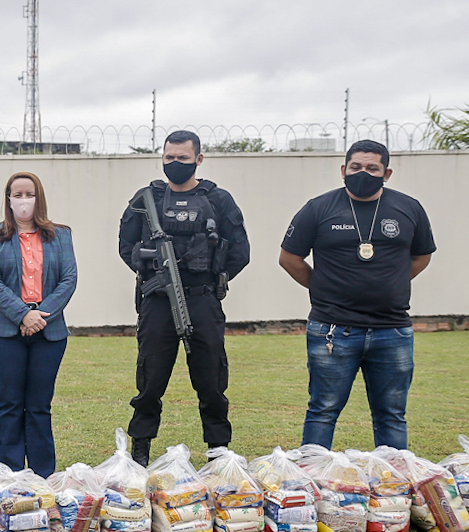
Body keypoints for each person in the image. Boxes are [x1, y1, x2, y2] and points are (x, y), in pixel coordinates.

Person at [279, 140, 434, 450]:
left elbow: (422, 256)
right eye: (356, 167)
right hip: (332, 330)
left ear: (386, 173)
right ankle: (314, 481)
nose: (363, 172)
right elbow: (289, 259)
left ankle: (393, 486)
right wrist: (324, 287)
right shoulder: (318, 208)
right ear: (343, 170)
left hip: (392, 330)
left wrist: (392, 283)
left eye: (372, 168)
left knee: (391, 415)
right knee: (322, 411)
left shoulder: (409, 208)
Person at [118, 130, 250, 465]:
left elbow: (240, 252)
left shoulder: (218, 200)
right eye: (169, 158)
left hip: (203, 301)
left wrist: (211, 279)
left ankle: (218, 450)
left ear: (199, 159)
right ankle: (140, 449)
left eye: (183, 158)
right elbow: (126, 246)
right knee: (150, 379)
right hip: (157, 302)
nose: (175, 164)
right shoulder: (147, 198)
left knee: (210, 379)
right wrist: (155, 273)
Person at [0, 172, 77, 477]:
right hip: (5, 332)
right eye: (17, 194)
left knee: (39, 406)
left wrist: (39, 315)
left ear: (40, 198)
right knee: (9, 404)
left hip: (49, 332)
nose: (23, 201)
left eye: (29, 194)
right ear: (8, 199)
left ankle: (43, 475)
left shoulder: (60, 235)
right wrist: (23, 314)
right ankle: (7, 475)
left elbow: (68, 280)